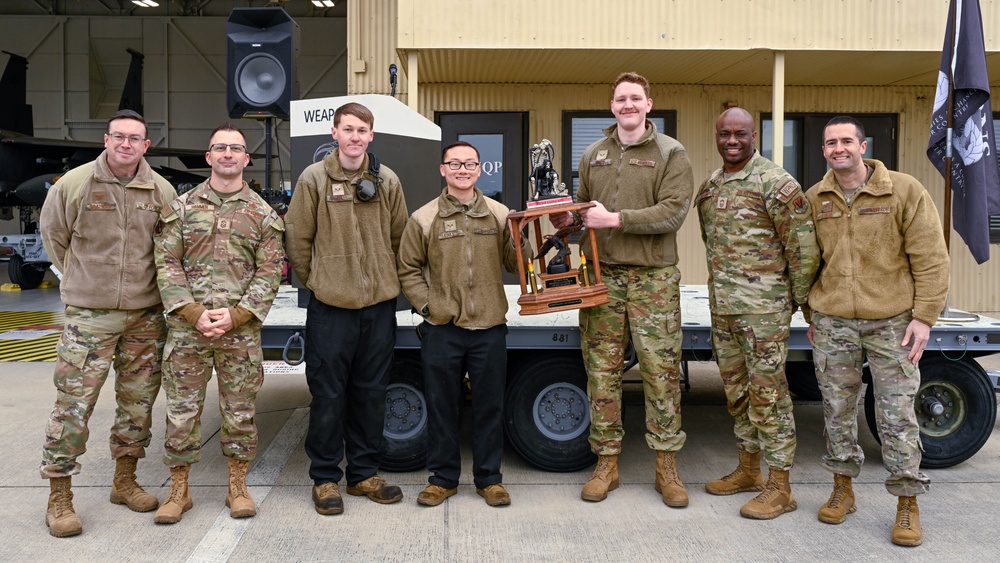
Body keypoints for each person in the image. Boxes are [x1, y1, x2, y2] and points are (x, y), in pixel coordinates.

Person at [551, 71, 694, 506]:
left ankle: (666, 468)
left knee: (662, 374)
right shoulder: (594, 154)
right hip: (603, 278)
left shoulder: (672, 153)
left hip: (653, 279)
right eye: (620, 99)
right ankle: (607, 462)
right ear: (612, 106)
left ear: (649, 104)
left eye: (635, 98)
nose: (627, 105)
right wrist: (567, 220)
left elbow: (672, 213)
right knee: (601, 372)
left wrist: (614, 219)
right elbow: (582, 209)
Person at [806, 116, 950, 546]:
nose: (838, 148)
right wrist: (809, 311)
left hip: (893, 323)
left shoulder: (904, 190)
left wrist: (925, 316)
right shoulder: (817, 198)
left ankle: (907, 503)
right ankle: (842, 489)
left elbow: (931, 256)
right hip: (833, 323)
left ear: (863, 145)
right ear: (824, 151)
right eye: (831, 143)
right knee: (836, 411)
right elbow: (806, 260)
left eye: (846, 140)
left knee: (897, 416)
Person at [38, 109, 176, 537]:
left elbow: (170, 249)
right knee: (73, 406)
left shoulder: (161, 190)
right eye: (119, 137)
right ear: (106, 139)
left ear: (146, 145)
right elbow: (54, 236)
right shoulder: (77, 184)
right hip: (90, 318)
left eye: (135, 138)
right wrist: (84, 283)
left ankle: (124, 481)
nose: (126, 145)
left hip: (145, 317)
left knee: (137, 405)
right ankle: (59, 496)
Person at [151, 124, 284, 524]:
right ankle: (179, 490)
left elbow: (271, 270)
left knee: (240, 412)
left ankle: (237, 487)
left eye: (236, 149)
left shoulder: (262, 214)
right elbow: (166, 262)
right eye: (220, 148)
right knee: (181, 412)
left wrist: (237, 314)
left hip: (239, 333)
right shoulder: (181, 207)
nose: (228, 154)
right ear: (209, 157)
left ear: (246, 158)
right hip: (188, 331)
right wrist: (192, 313)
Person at [285, 102, 408, 515]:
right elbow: (298, 239)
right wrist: (320, 280)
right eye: (348, 129)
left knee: (371, 394)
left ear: (371, 136)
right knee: (328, 394)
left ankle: (363, 474)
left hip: (377, 307)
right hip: (331, 308)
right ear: (335, 133)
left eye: (363, 131)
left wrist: (384, 279)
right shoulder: (314, 179)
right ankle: (324, 478)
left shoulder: (387, 179)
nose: (355, 137)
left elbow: (399, 239)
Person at [696, 107, 819, 519]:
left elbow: (802, 251)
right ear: (717, 136)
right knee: (737, 395)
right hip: (725, 311)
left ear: (755, 137)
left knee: (769, 397)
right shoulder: (710, 186)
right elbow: (712, 246)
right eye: (725, 133)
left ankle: (780, 487)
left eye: (740, 134)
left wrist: (804, 307)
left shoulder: (776, 183)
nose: (732, 140)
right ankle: (748, 471)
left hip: (764, 314)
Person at [397, 141, 529, 508]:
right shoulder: (424, 218)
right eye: (454, 163)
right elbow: (407, 268)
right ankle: (443, 480)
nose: (462, 169)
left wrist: (522, 232)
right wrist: (428, 306)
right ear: (443, 170)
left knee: (490, 407)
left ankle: (489, 480)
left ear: (479, 170)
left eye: (469, 164)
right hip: (444, 329)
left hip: (489, 326)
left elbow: (516, 262)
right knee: (443, 406)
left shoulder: (500, 214)